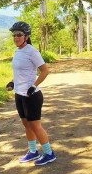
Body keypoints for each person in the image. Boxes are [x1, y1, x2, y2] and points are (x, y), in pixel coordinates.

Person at [6, 21, 56, 166]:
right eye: (14, 35)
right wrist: (12, 82)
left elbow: (45, 70)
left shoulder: (32, 51)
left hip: (31, 96)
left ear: (26, 36)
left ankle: (49, 153)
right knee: (27, 125)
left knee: (35, 126)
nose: (16, 37)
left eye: (19, 35)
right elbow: (20, 73)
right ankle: (33, 152)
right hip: (19, 94)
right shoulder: (17, 51)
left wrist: (34, 86)